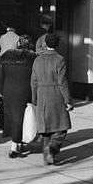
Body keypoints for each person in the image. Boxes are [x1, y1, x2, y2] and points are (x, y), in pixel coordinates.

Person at [31, 33, 74, 165]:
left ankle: (47, 156)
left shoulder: (37, 60)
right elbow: (62, 81)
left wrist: (34, 98)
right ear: (57, 44)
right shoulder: (59, 59)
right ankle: (53, 148)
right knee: (61, 127)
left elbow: (33, 81)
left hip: (41, 93)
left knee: (46, 129)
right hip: (55, 94)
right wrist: (68, 100)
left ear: (45, 44)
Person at [0, 35, 37, 158]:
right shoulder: (33, 58)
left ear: (18, 44)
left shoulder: (6, 57)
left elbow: (0, 77)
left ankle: (16, 142)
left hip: (8, 90)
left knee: (12, 118)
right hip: (25, 90)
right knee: (23, 118)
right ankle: (15, 145)